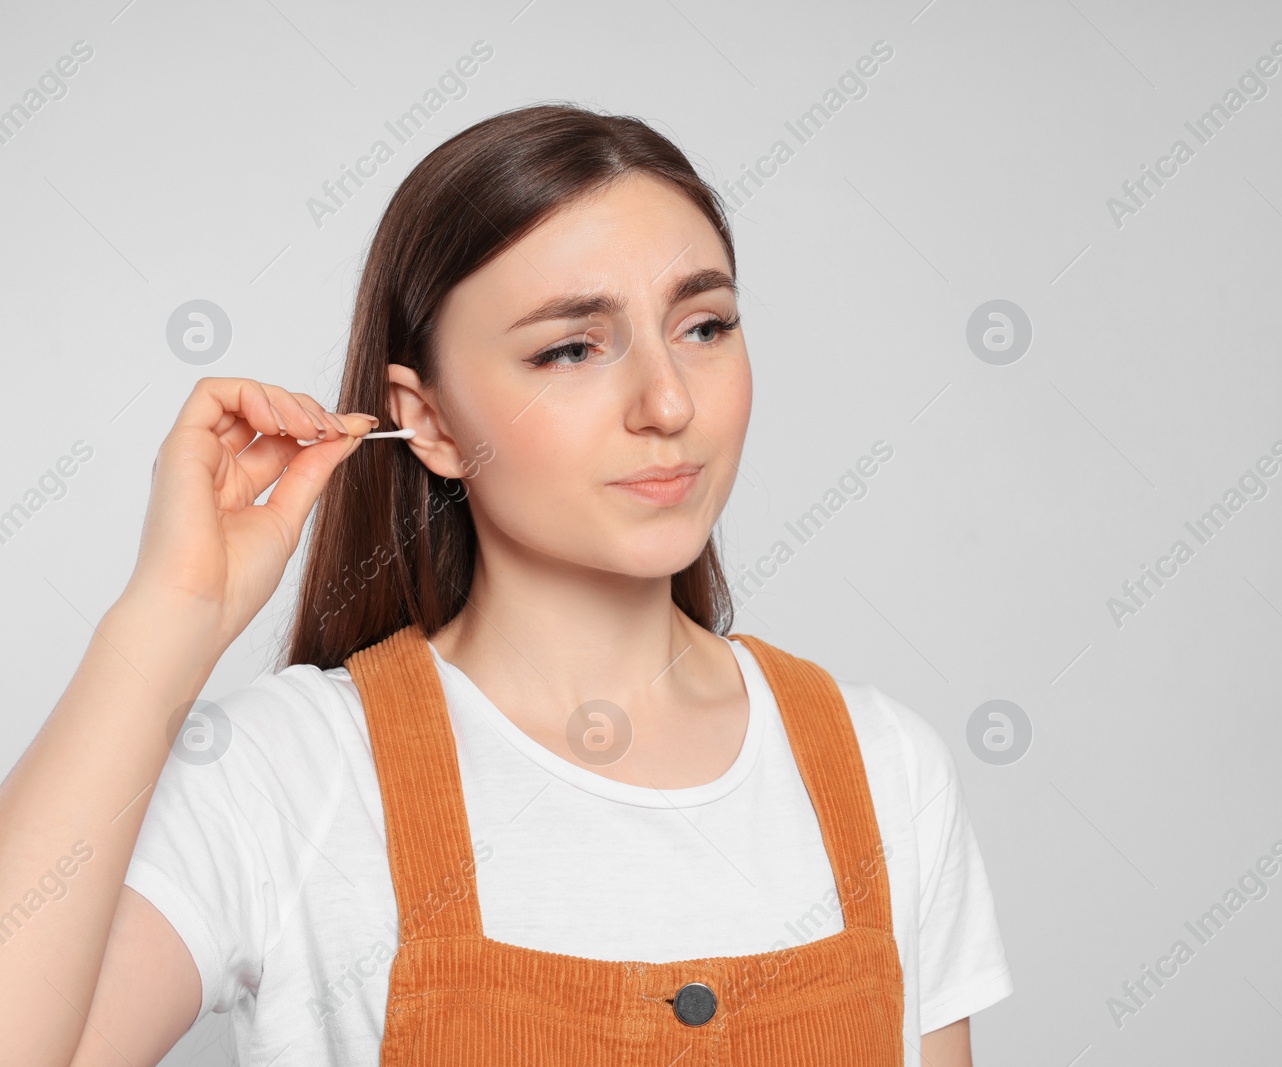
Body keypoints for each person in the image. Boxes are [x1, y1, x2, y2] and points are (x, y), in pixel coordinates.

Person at [0, 102, 1012, 1066]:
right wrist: (166, 623)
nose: (667, 401)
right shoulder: (291, 773)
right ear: (428, 420)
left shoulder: (885, 771)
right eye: (571, 347)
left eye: (704, 325)